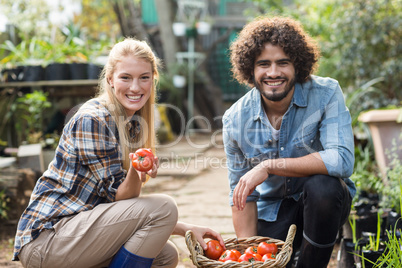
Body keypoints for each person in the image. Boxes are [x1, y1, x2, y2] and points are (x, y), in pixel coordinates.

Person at [13, 38, 225, 268]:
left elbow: (119, 209)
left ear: (153, 80)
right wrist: (135, 169)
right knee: (165, 206)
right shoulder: (93, 119)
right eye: (126, 77)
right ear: (110, 80)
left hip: (76, 232)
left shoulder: (131, 123)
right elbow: (121, 197)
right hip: (47, 242)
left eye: (144, 78)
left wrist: (184, 228)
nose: (136, 87)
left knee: (165, 255)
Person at [222, 16, 355, 267]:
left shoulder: (326, 94)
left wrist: (269, 166)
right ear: (250, 69)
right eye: (264, 64)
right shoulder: (234, 120)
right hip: (272, 212)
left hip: (322, 205)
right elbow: (241, 195)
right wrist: (249, 256)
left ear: (298, 65)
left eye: (283, 63)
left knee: (323, 187)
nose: (273, 73)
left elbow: (341, 159)